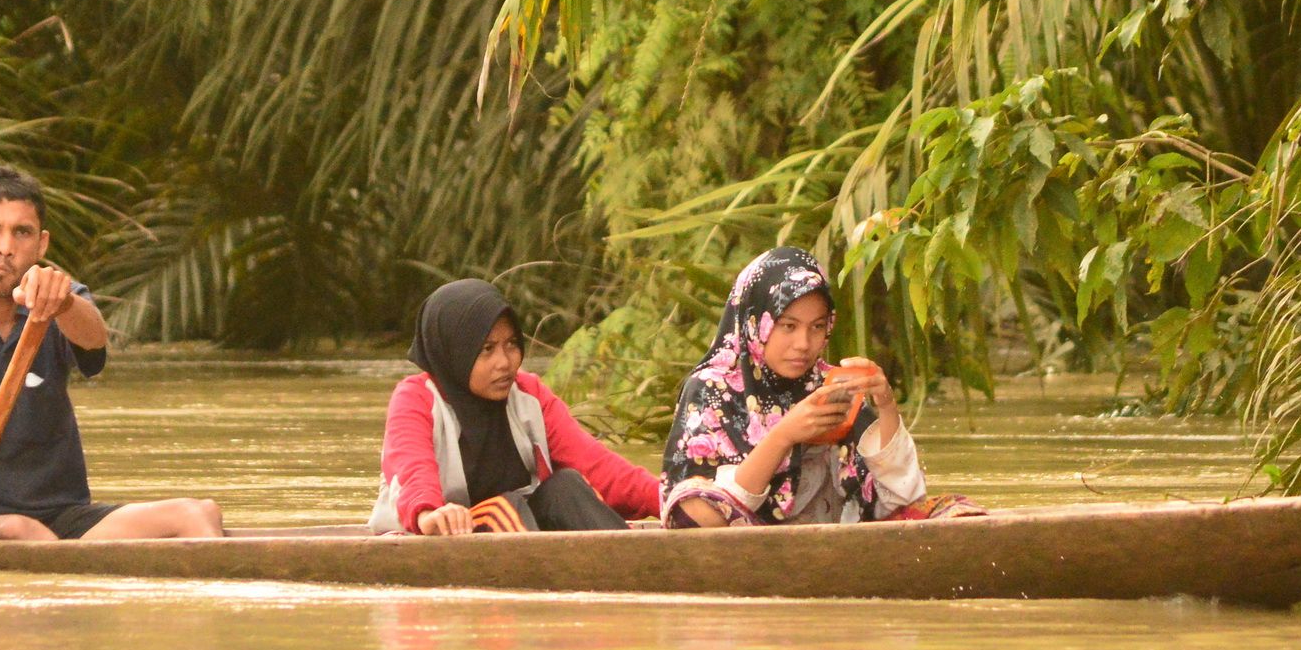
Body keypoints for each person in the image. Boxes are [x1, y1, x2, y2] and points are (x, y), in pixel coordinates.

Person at [0, 165, 224, 564]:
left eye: (22, 232)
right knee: (19, 530)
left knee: (197, 513)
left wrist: (62, 304)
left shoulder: (61, 302)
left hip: (65, 517)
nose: (5, 247)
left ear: (41, 244)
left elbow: (93, 338)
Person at [661, 246, 981, 527]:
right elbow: (692, 517)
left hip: (831, 541)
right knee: (692, 500)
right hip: (744, 542)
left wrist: (886, 405)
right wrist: (785, 434)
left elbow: (903, 497)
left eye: (816, 327)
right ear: (754, 323)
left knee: (954, 510)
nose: (804, 343)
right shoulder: (711, 388)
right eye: (788, 326)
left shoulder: (829, 385)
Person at [370, 279, 660, 535]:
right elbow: (413, 471)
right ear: (455, 352)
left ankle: (635, 567)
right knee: (502, 508)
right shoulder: (415, 399)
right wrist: (429, 513)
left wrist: (668, 497)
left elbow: (597, 465)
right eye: (487, 349)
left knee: (566, 486)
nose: (504, 362)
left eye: (511, 344)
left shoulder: (528, 394)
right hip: (438, 532)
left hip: (519, 524)